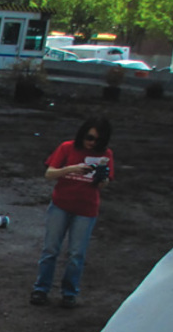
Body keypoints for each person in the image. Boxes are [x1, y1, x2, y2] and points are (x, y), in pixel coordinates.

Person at [30, 117, 114, 309]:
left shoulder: (106, 154)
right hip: (61, 205)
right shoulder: (67, 148)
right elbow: (49, 173)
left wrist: (101, 177)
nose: (92, 143)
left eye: (97, 141)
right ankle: (41, 289)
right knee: (50, 249)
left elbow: (104, 183)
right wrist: (71, 169)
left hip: (86, 209)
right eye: (89, 138)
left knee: (76, 254)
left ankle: (69, 293)